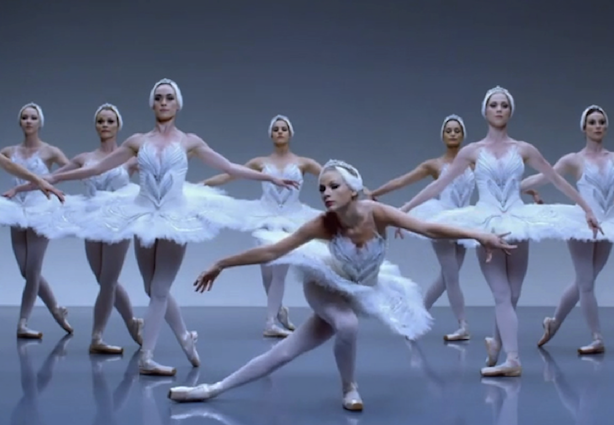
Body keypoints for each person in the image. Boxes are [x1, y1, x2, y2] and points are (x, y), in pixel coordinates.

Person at [167, 159, 515, 410]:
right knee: (347, 324)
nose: (326, 192)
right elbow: (274, 250)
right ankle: (350, 388)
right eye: (321, 188)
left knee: (284, 352)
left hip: (361, 286)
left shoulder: (377, 213)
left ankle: (211, 390)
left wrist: (479, 235)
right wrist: (221, 263)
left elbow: (428, 228)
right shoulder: (322, 224)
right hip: (325, 285)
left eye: (334, 186)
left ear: (354, 189)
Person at [44, 78, 299, 375]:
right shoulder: (137, 141)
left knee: (160, 289)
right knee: (151, 287)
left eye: (169, 98)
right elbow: (98, 168)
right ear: (152, 104)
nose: (164, 102)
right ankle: (185, 337)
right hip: (143, 214)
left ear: (178, 105)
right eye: (159, 98)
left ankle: (147, 357)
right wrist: (54, 178)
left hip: (176, 216)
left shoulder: (189, 141)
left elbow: (229, 167)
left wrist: (270, 178)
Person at [398, 86, 601, 377]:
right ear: (485, 111)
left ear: (510, 111)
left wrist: (587, 209)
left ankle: (496, 343)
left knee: (513, 294)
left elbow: (556, 179)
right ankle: (513, 360)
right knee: (502, 294)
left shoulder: (524, 149)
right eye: (493, 104)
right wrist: (405, 209)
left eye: (504, 105)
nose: (499, 109)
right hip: (486, 223)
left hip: (517, 221)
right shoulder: (471, 152)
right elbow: (439, 184)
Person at [10, 104, 144, 353]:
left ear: (118, 126)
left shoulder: (130, 159)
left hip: (118, 220)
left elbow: (158, 174)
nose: (105, 125)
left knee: (108, 281)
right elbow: (52, 178)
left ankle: (97, 337)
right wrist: (20, 188)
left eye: (110, 121)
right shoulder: (84, 158)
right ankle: (132, 322)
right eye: (101, 121)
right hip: (92, 221)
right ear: (96, 126)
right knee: (102, 279)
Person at [522, 105, 614, 353]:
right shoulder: (574, 160)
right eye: (592, 122)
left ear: (606, 127)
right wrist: (513, 186)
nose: (597, 126)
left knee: (585, 280)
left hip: (607, 223)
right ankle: (597, 338)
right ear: (584, 128)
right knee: (586, 283)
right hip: (582, 224)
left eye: (601, 122)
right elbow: (545, 177)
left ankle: (554, 322)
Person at [201, 114, 322, 337]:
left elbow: (330, 177)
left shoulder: (304, 163)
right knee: (267, 274)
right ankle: (279, 310)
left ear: (290, 134)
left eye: (283, 129)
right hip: (264, 217)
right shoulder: (259, 163)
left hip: (292, 220)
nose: (280, 132)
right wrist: (205, 183)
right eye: (276, 129)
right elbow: (231, 175)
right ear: (271, 134)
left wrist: (358, 189)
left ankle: (270, 323)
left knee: (279, 273)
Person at [366, 114, 475, 341]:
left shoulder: (473, 163)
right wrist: (375, 193)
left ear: (463, 135)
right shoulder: (435, 165)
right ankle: (462, 325)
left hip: (466, 219)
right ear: (443, 136)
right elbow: (402, 181)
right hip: (441, 219)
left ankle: (417, 315)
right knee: (452, 276)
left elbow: (497, 181)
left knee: (448, 277)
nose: (453, 134)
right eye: (448, 131)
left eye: (457, 131)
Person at [1, 103, 73, 339]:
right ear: (20, 121)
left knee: (33, 270)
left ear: (40, 122)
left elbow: (67, 170)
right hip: (16, 209)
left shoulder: (50, 151)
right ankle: (56, 309)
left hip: (40, 209)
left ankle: (23, 323)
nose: (29, 121)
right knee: (25, 270)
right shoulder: (9, 151)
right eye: (25, 117)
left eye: (33, 117)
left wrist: (48, 183)